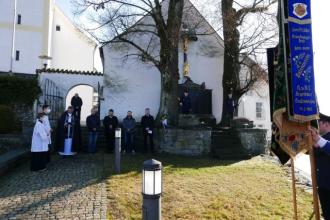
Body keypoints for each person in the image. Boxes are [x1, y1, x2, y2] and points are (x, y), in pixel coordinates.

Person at [309, 113, 330, 220]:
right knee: (327, 214)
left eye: (319, 123)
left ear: (326, 124)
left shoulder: (321, 140)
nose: (316, 126)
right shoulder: (320, 139)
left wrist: (318, 140)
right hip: (323, 186)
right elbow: (311, 153)